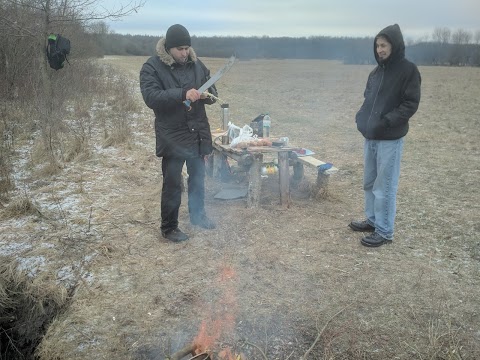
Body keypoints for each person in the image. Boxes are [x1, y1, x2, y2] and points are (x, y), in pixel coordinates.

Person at [140, 24, 217, 242]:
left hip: (197, 131)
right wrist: (182, 93)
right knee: (173, 182)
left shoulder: (196, 64)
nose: (184, 53)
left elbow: (213, 94)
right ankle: (169, 227)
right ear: (169, 48)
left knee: (198, 178)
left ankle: (198, 215)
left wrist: (206, 96)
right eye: (180, 49)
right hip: (172, 135)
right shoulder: (152, 67)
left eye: (187, 48)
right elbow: (151, 97)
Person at [349, 24, 421, 247]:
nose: (380, 49)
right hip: (371, 137)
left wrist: (387, 121)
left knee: (385, 186)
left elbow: (410, 104)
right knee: (369, 183)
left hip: (390, 139)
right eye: (377, 45)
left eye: (384, 45)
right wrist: (361, 118)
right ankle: (372, 220)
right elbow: (367, 100)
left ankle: (384, 231)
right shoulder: (376, 72)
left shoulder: (408, 71)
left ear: (394, 45)